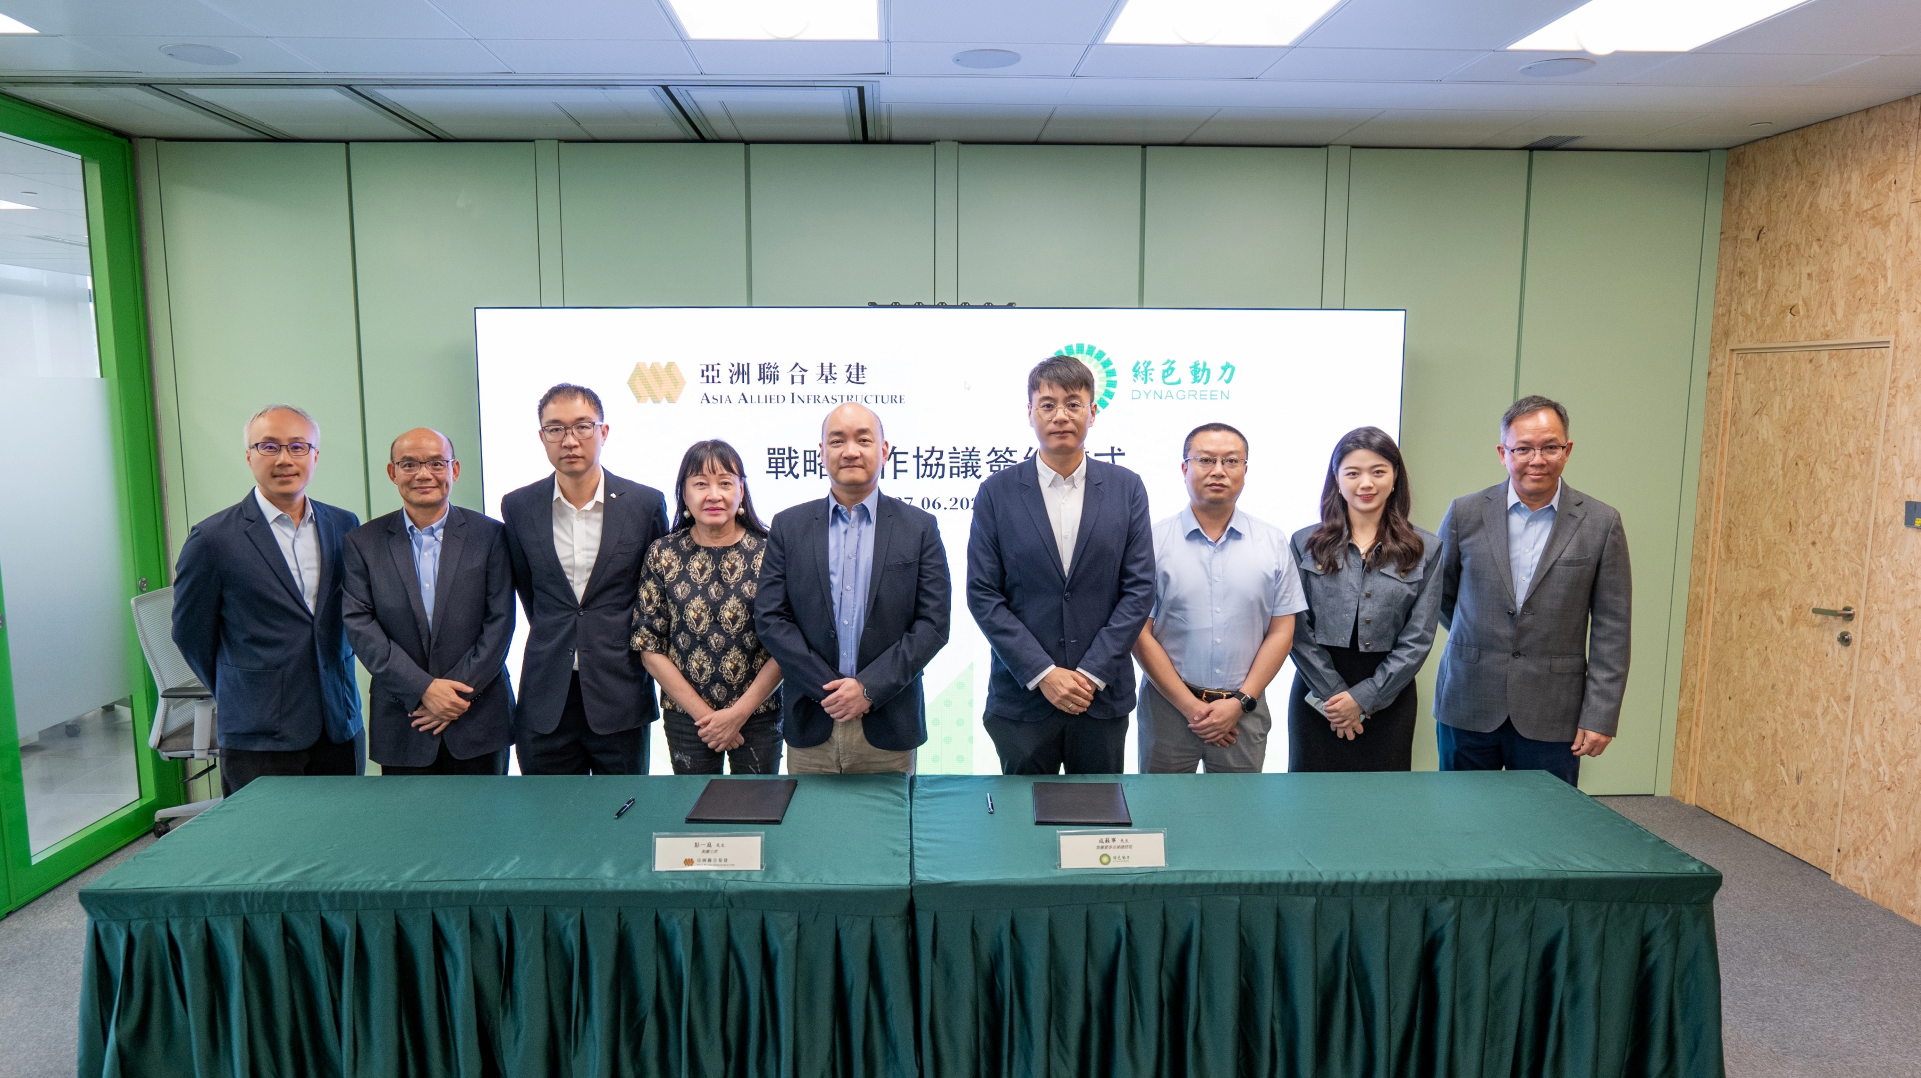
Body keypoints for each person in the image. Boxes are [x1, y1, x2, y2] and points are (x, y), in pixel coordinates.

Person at [966, 355, 1155, 774]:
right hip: (1023, 700)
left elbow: (1140, 589)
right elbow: (983, 594)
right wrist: (1044, 673)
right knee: (1023, 812)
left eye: (1073, 403)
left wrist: (1091, 672)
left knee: (1100, 813)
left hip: (1100, 698)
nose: (1060, 416)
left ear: (1093, 412)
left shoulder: (1126, 488)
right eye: (1047, 404)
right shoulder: (997, 492)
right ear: (1030, 412)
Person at [1435, 395, 1631, 785]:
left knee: (1546, 818)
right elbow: (1440, 595)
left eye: (1550, 447)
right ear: (1502, 453)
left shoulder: (1601, 523)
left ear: (1567, 450)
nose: (1536, 460)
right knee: (1461, 815)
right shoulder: (1464, 514)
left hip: (1553, 710)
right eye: (1523, 449)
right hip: (1469, 699)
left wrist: (1600, 715)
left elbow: (1612, 628)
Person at [171, 404, 363, 793]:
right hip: (258, 732)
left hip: (338, 720)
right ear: (249, 456)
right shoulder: (212, 539)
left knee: (343, 827)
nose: (285, 459)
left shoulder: (344, 525)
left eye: (298, 446)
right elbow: (190, 633)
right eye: (269, 446)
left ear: (315, 456)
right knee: (266, 833)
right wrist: (244, 688)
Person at [755, 403, 951, 774]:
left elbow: (933, 625)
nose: (850, 451)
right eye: (837, 441)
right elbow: (771, 619)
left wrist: (868, 689)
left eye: (863, 440)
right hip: (812, 720)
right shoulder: (788, 526)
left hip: (889, 722)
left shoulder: (919, 527)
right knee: (808, 815)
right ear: (821, 452)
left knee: (891, 815)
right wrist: (829, 690)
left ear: (884, 450)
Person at [501, 384, 669, 775]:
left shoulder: (644, 504)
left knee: (624, 807)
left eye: (582, 426)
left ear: (603, 432)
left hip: (619, 693)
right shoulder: (519, 506)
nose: (570, 440)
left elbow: (655, 595)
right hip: (547, 695)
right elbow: (530, 593)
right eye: (555, 429)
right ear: (542, 437)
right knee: (547, 809)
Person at [342, 428, 515, 776]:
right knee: (407, 814)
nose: (423, 474)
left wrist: (453, 696)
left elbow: (500, 621)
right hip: (404, 719)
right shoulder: (363, 542)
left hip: (478, 716)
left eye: (436, 463)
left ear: (455, 469)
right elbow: (360, 625)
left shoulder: (491, 535)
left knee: (486, 813)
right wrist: (424, 689)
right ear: (392, 472)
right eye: (409, 464)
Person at [1133, 423, 1303, 773]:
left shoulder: (1272, 542)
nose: (1218, 471)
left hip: (1244, 712)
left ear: (1245, 470)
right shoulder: (1152, 542)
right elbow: (1139, 633)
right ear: (1184, 469)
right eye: (1206, 460)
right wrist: (1191, 707)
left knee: (1237, 807)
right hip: (1167, 709)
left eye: (1231, 461)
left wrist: (1239, 702)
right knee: (1162, 805)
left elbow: (1281, 632)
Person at [1288, 427, 1443, 771]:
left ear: (1395, 476)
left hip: (1390, 695)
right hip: (1317, 693)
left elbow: (1418, 638)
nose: (1366, 483)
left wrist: (1364, 698)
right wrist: (1335, 697)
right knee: (1311, 796)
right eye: (1353, 473)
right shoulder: (1304, 543)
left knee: (1383, 799)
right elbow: (1296, 631)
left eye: (1378, 471)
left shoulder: (1425, 548)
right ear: (1336, 478)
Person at [633, 441, 784, 774]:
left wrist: (737, 715)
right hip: (687, 717)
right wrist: (708, 719)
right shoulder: (662, 553)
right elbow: (649, 645)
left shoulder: (772, 552)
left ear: (741, 491)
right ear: (684, 494)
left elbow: (788, 643)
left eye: (725, 483)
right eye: (701, 484)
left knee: (758, 803)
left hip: (759, 713)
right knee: (694, 805)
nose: (714, 495)